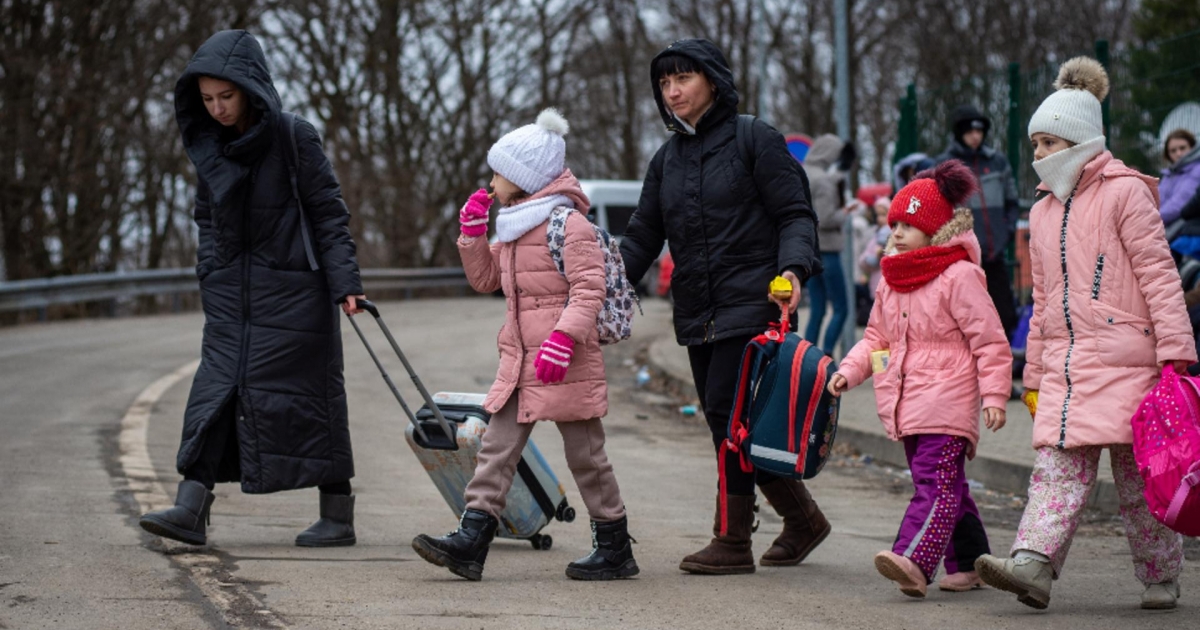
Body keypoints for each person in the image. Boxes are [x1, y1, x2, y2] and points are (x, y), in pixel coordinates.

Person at [973, 57, 1196, 611]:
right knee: (1055, 471)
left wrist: (1177, 355)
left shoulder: (1126, 193)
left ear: (1078, 141)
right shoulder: (1045, 210)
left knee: (1140, 485)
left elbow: (1159, 276)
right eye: (1036, 143)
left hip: (1131, 363)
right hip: (1070, 372)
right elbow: (1044, 302)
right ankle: (1033, 565)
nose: (1039, 154)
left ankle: (1161, 576)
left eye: (1049, 143)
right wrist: (1038, 373)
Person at [139, 30, 366, 547]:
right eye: (207, 99)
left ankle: (337, 516)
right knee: (214, 396)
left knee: (311, 400)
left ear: (250, 87)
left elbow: (329, 214)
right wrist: (210, 271)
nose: (217, 109)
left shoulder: (293, 136)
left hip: (295, 297)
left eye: (227, 96)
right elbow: (206, 219)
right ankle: (190, 508)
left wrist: (345, 283)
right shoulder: (209, 146)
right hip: (230, 302)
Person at [619, 39, 827, 575]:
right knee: (734, 422)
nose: (672, 92)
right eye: (664, 84)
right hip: (697, 308)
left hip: (757, 301)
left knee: (728, 415)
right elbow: (643, 233)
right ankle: (802, 519)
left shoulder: (754, 138)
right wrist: (606, 286)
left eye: (682, 79)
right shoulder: (667, 159)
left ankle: (732, 540)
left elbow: (795, 215)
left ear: (712, 79)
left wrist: (793, 270)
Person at [410, 109, 637, 582]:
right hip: (519, 361)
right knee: (495, 449)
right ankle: (470, 542)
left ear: (524, 178)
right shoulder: (513, 226)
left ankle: (614, 544)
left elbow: (588, 289)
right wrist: (473, 234)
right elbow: (486, 279)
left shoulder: (567, 226)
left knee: (586, 458)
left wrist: (562, 339)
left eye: (499, 172)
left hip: (564, 359)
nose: (492, 182)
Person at [829, 162, 1011, 598]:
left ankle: (914, 559)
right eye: (895, 224)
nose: (897, 233)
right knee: (946, 484)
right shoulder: (893, 279)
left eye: (910, 224)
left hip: (948, 399)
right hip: (908, 399)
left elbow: (990, 340)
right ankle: (969, 563)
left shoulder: (959, 276)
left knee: (934, 483)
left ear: (935, 229)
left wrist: (996, 395)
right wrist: (848, 373)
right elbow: (876, 338)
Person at [936, 105, 1020, 340]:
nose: (975, 136)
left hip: (995, 251)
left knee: (1004, 309)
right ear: (959, 132)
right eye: (970, 131)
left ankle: (1009, 360)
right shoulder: (945, 164)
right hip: (962, 254)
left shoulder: (997, 161)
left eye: (980, 131)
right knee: (966, 311)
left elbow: (1011, 201)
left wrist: (1007, 230)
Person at [803, 134, 853, 356]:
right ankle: (826, 354)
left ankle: (807, 357)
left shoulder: (804, 172)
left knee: (817, 309)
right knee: (841, 308)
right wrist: (845, 212)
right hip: (829, 252)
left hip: (810, 251)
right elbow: (825, 218)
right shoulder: (822, 180)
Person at [1160, 129, 1200, 227]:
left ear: (1192, 148)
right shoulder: (1168, 175)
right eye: (1173, 151)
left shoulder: (1197, 170)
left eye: (1182, 148)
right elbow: (1156, 200)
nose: (1178, 154)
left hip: (1185, 228)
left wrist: (1150, 218)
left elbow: (1180, 203)